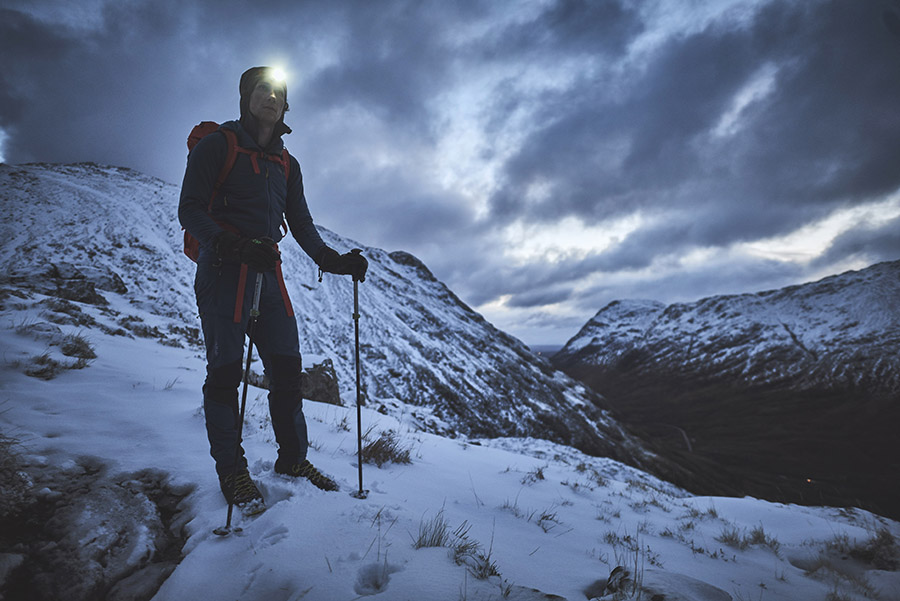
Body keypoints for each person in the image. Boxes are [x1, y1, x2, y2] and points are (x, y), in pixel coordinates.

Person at [179, 66, 367, 509]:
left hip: (267, 275)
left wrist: (332, 261)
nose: (271, 96)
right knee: (225, 377)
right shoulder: (217, 146)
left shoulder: (287, 163)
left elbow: (299, 221)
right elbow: (189, 209)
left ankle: (293, 461)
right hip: (224, 272)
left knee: (286, 372)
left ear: (286, 105)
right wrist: (230, 243)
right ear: (246, 98)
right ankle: (234, 474)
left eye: (279, 92)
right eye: (262, 89)